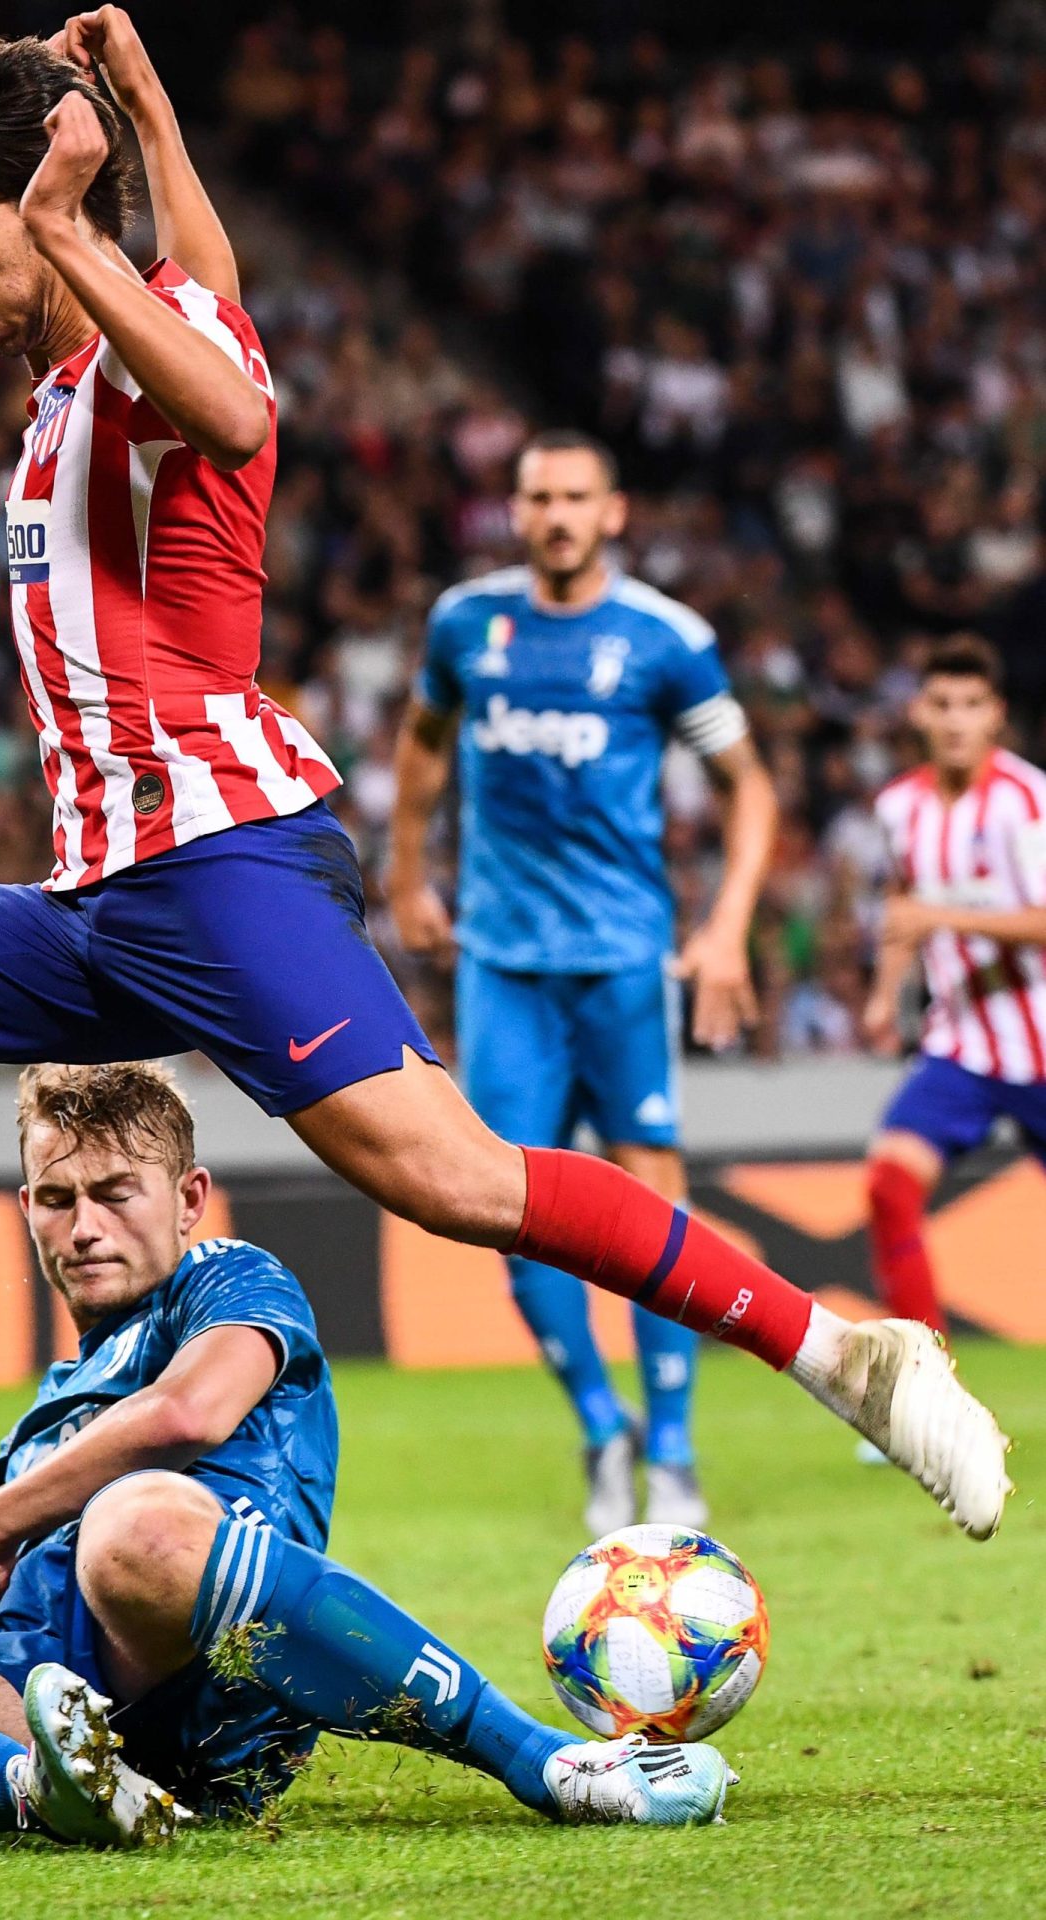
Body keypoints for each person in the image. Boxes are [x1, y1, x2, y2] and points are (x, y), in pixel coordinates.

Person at [0, 12, 1008, 1549]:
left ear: (51, 202)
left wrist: (63, 217)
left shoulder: (152, 359)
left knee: (456, 1180)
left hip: (222, 867)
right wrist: (157, 130)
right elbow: (206, 289)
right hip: (102, 899)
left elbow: (235, 406)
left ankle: (838, 1353)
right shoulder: (82, 379)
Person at [0, 1062, 736, 1837]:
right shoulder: (48, 1410)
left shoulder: (230, 1283)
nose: (82, 1223)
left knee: (129, 1521)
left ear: (188, 1196)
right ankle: (50, 1794)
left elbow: (194, 1412)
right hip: (86, 1719)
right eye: (54, 1198)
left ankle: (547, 1762)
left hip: (222, 1696)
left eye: (112, 1192)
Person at [390, 431, 779, 1534]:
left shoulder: (665, 641)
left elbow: (746, 787)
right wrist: (408, 868)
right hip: (502, 962)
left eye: (574, 497)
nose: (554, 514)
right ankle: (600, 1424)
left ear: (612, 512)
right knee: (503, 1206)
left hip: (619, 958)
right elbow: (423, 738)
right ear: (514, 511)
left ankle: (671, 1446)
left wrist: (727, 929)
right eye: (535, 497)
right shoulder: (467, 623)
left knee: (652, 1194)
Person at [863, 634, 1046, 1337]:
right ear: (917, 712)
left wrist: (938, 914)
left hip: (1039, 1042)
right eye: (941, 704)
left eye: (970, 705)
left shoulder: (1027, 803)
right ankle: (926, 1392)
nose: (954, 721)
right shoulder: (897, 807)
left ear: (995, 714)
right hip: (963, 1047)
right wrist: (884, 994)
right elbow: (899, 903)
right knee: (888, 1185)